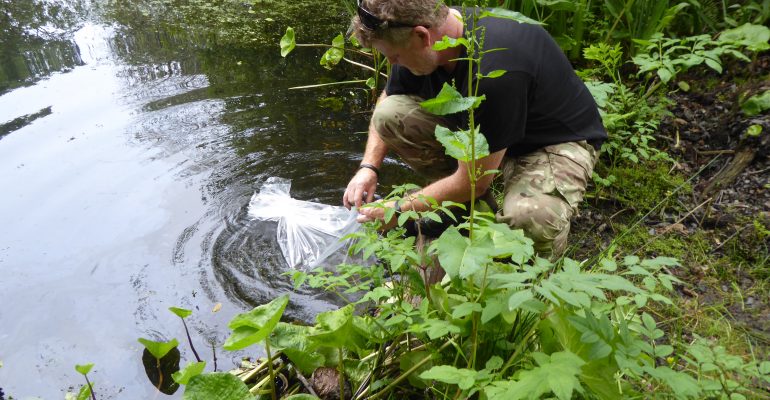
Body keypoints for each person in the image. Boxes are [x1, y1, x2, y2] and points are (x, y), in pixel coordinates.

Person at [342, 0, 607, 259]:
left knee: (529, 218)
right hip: (487, 132)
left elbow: (473, 182)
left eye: (395, 56)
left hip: (549, 142)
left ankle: (534, 273)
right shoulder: (434, 33)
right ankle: (461, 211)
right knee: (389, 115)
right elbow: (390, 95)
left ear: (423, 36)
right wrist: (369, 167)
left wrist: (398, 209)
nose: (393, 64)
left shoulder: (495, 68)